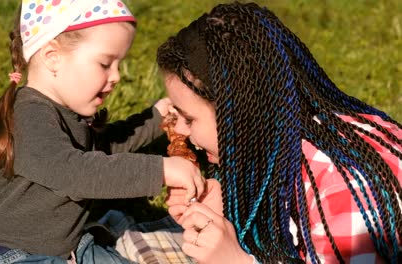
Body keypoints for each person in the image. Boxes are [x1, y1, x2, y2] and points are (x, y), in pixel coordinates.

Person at [0, 0, 205, 263]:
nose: (117, 76)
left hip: (67, 249)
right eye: (105, 64)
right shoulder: (27, 115)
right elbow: (74, 172)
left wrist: (156, 118)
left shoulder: (67, 114)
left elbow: (104, 149)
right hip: (4, 254)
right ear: (53, 58)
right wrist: (160, 170)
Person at [157, 2, 402, 263]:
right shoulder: (289, 144)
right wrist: (227, 209)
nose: (179, 129)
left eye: (189, 118)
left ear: (240, 113)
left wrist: (236, 260)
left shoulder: (342, 189)